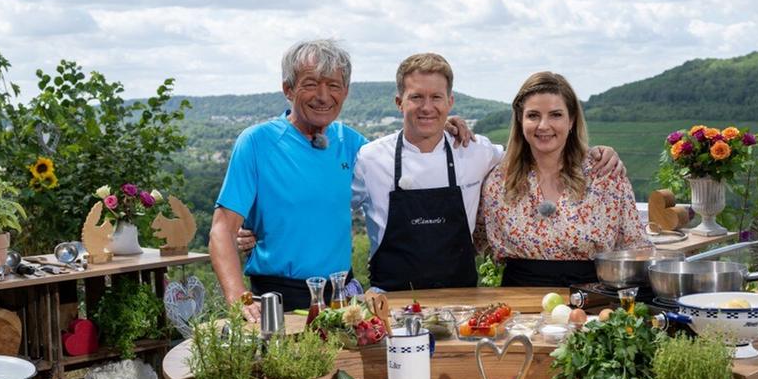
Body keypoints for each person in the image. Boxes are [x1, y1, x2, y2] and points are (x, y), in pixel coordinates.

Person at [211, 40, 473, 318]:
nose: (323, 96)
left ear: (345, 92)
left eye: (334, 85)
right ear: (288, 89)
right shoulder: (256, 142)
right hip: (279, 299)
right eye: (311, 84)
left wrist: (437, 126)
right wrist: (239, 297)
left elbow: (405, 156)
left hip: (342, 299)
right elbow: (222, 230)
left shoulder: (352, 144)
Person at [351, 54, 627, 291]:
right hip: (391, 301)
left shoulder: (476, 151)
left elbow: (540, 151)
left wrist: (597, 153)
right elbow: (332, 210)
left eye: (436, 97)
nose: (427, 107)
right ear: (399, 102)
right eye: (416, 97)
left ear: (450, 102)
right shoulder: (370, 158)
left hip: (460, 302)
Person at [479, 71, 649, 287]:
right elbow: (474, 240)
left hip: (592, 303)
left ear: (572, 120)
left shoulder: (604, 175)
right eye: (533, 115)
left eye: (556, 115)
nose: (543, 125)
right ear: (520, 120)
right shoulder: (498, 181)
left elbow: (636, 247)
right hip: (518, 307)